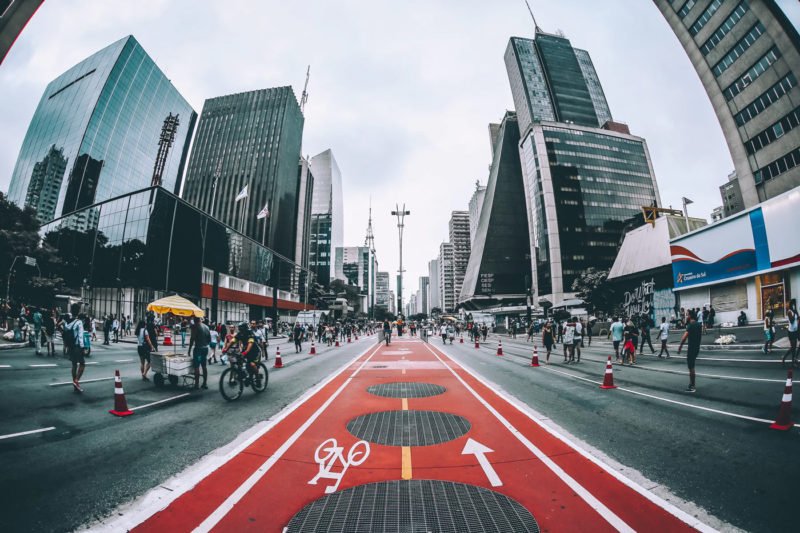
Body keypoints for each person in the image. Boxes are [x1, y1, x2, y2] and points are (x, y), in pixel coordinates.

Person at [63, 306, 86, 392]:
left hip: (70, 346)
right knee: (82, 364)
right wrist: (82, 347)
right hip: (77, 346)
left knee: (74, 365)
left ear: (71, 311)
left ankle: (75, 383)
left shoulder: (67, 321)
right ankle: (76, 381)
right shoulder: (79, 322)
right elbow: (80, 335)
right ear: (78, 311)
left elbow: (65, 331)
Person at [678, 309, 701, 392]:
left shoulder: (690, 325)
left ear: (690, 316)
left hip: (691, 348)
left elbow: (684, 337)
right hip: (697, 348)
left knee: (691, 367)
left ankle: (692, 386)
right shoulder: (698, 325)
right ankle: (691, 384)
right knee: (692, 366)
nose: (686, 316)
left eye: (687, 315)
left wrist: (680, 346)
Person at [188, 319, 211, 390]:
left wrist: (189, 350)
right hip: (205, 348)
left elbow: (192, 339)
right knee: (204, 366)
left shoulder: (195, 327)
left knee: (197, 366)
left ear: (195, 320)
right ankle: (205, 383)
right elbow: (209, 339)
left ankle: (197, 384)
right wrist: (205, 344)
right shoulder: (206, 327)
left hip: (198, 349)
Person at [783, 299, 798, 368]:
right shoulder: (789, 311)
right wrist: (794, 312)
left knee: (794, 347)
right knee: (793, 347)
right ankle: (790, 360)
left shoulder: (795, 311)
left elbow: (798, 318)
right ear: (792, 305)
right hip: (791, 332)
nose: (795, 305)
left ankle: (794, 359)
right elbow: (791, 321)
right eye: (794, 304)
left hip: (796, 330)